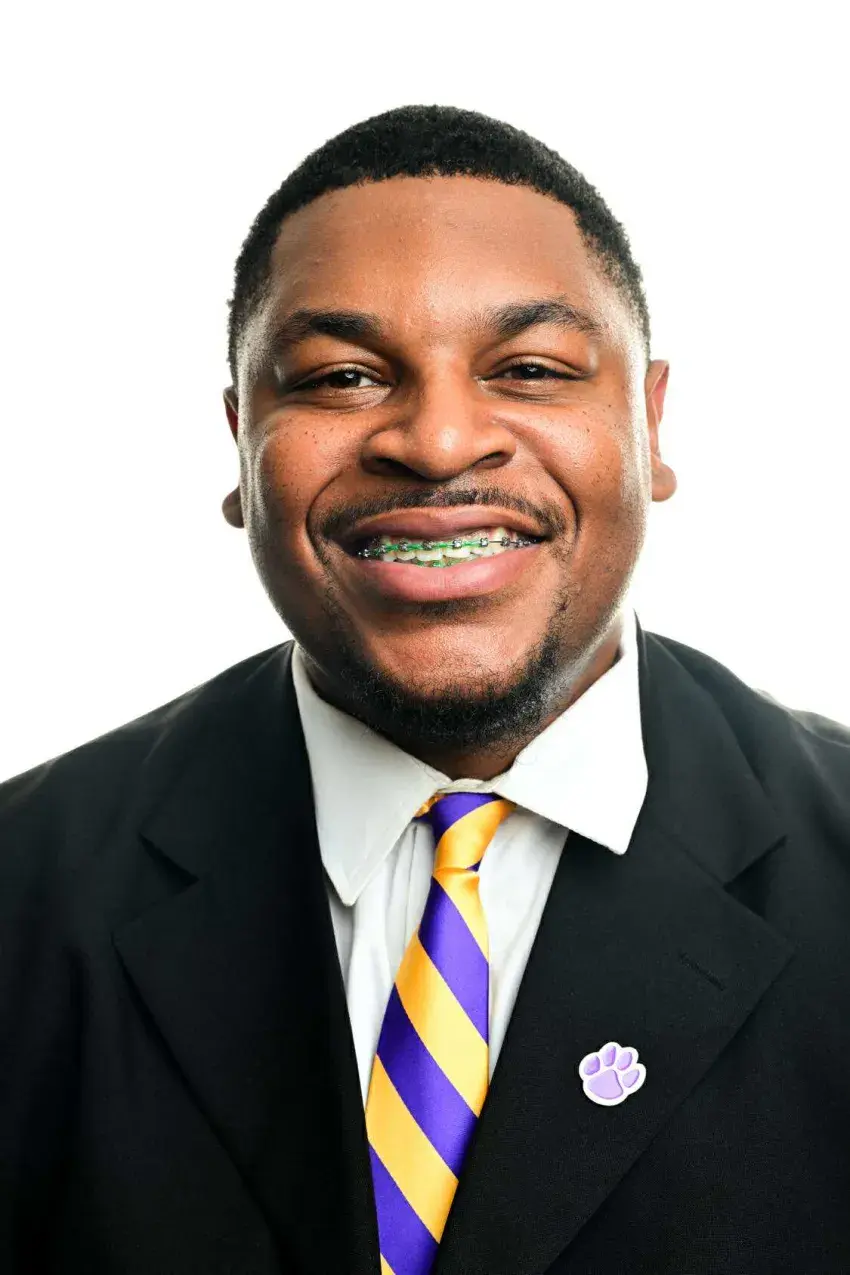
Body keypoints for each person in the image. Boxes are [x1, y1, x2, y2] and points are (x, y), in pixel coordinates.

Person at [1, 103, 848, 1275]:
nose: (440, 441)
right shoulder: (24, 888)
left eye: (529, 369)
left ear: (649, 424)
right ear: (241, 444)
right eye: (342, 377)